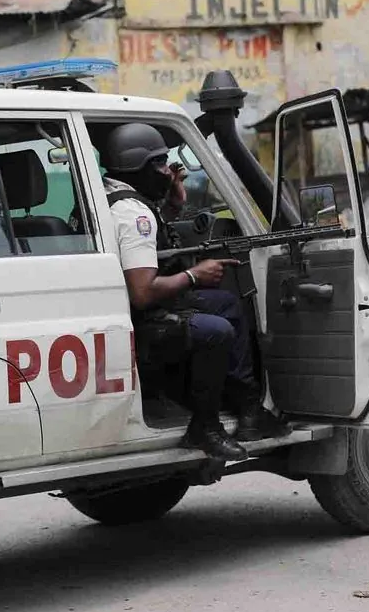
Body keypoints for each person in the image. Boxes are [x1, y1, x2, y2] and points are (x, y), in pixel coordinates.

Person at [102, 123, 291, 461]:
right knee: (215, 330)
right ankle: (204, 426)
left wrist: (173, 203)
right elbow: (143, 293)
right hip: (141, 321)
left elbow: (147, 244)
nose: (167, 171)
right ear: (139, 168)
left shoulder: (112, 197)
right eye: (160, 165)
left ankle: (248, 409)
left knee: (227, 304)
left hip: (129, 311)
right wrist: (194, 274)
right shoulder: (132, 214)